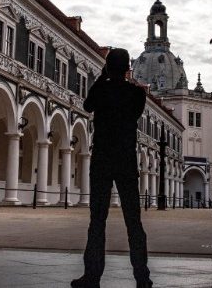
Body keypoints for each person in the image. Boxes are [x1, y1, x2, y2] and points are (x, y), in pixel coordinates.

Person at [71, 48, 153, 288]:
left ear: (108, 67)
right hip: (126, 160)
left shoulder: (102, 90)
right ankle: (142, 277)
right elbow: (134, 114)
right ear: (127, 68)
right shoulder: (137, 94)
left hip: (102, 159)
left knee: (97, 220)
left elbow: (87, 105)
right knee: (134, 222)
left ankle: (92, 276)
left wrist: (101, 76)